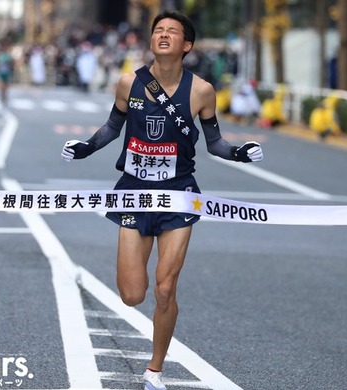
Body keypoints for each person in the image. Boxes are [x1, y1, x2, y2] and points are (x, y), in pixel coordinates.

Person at [60, 10, 263, 390]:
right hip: (133, 191)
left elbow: (214, 142)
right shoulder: (128, 83)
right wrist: (85, 148)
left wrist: (239, 152)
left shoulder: (201, 90)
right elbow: (110, 128)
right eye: (158, 30)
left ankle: (155, 369)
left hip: (179, 195)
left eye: (172, 31)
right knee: (132, 295)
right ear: (152, 41)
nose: (163, 35)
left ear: (186, 45)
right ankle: (149, 340)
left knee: (166, 288)